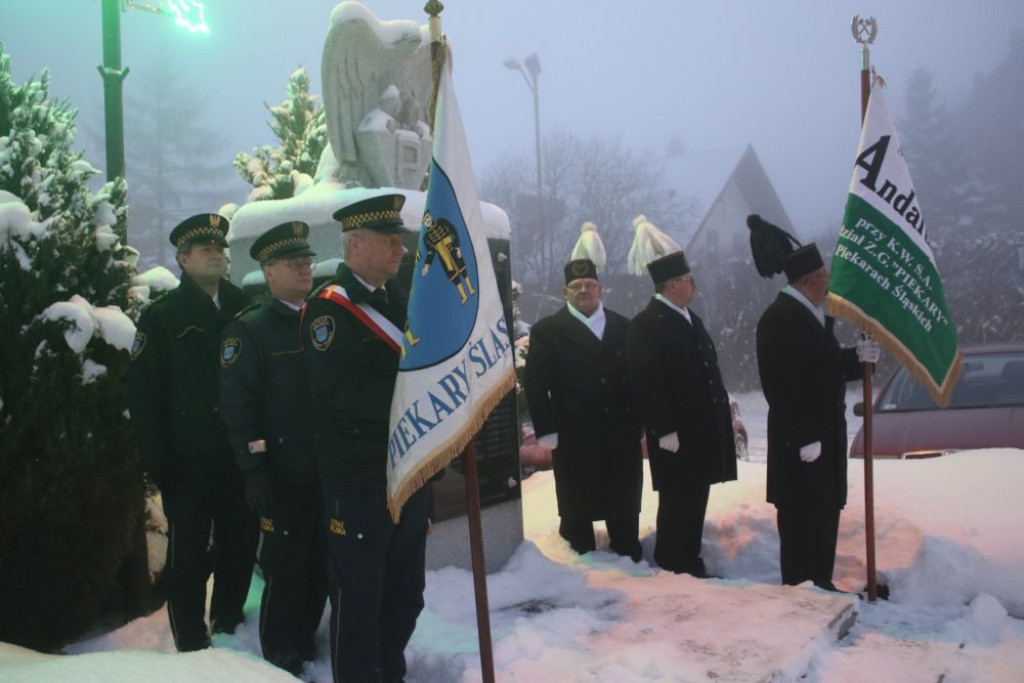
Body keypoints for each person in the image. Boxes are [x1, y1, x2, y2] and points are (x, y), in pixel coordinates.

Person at [300, 194, 429, 682]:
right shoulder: (328, 311)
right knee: (359, 597)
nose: (400, 251)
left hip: (407, 475)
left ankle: (387, 671)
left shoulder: (401, 299)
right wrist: (414, 401)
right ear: (355, 244)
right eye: (388, 241)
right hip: (358, 479)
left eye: (400, 241)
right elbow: (342, 395)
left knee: (405, 594)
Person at [127, 213, 257, 651]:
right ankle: (190, 640)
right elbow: (144, 396)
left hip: (239, 458)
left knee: (241, 546)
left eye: (220, 248)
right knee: (188, 556)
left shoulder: (244, 306)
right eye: (205, 250)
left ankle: (229, 624)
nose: (217, 255)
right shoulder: (162, 318)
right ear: (183, 259)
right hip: (189, 462)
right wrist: (159, 462)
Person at [748, 214, 879, 591]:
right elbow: (782, 385)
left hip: (825, 439)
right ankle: (803, 591)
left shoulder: (809, 316)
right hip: (801, 446)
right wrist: (804, 435)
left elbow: (821, 368)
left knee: (824, 516)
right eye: (825, 277)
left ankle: (820, 584)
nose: (829, 284)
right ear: (813, 281)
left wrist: (858, 358)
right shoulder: (779, 319)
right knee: (804, 521)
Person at [219, 221, 327, 674]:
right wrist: (254, 468)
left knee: (321, 566)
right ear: (268, 272)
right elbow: (236, 407)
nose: (305, 269)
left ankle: (305, 641)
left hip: (325, 470)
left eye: (307, 261)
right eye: (293, 263)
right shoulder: (251, 330)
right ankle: (280, 659)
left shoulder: (324, 318)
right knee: (286, 570)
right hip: (282, 475)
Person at [626, 251, 737, 577]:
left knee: (696, 496)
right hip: (676, 432)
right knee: (677, 500)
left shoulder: (690, 318)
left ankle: (691, 560)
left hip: (700, 429)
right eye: (689, 280)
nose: (694, 285)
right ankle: (673, 562)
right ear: (672, 285)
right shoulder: (647, 325)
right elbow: (646, 380)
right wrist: (664, 428)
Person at [523, 258, 643, 560]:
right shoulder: (547, 331)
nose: (584, 291)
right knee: (578, 503)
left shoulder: (623, 326)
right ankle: (581, 560)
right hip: (574, 432)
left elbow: (636, 377)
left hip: (620, 430)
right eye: (576, 287)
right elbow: (535, 384)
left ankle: (628, 554)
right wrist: (546, 429)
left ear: (600, 289)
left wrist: (639, 422)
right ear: (565, 292)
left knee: (623, 501)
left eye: (590, 285)